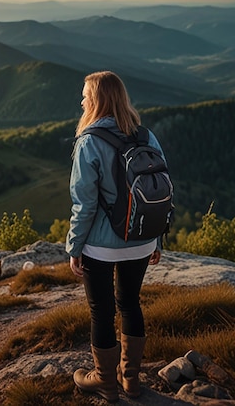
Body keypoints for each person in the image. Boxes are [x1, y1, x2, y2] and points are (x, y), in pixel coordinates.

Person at [66, 71, 163, 402]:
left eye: (85, 96)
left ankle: (105, 381)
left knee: (102, 312)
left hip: (101, 247)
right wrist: (155, 239)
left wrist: (74, 247)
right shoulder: (147, 137)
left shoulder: (89, 141)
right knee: (131, 303)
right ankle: (131, 379)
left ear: (96, 101)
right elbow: (156, 193)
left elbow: (84, 204)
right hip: (141, 239)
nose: (81, 101)